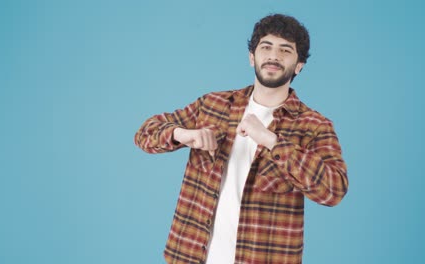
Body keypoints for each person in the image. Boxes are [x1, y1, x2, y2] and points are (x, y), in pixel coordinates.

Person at [134, 13, 348, 264]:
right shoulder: (213, 104)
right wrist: (183, 134)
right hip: (191, 255)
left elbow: (334, 190)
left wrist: (271, 141)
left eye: (285, 50)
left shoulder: (313, 125)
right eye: (265, 47)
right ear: (251, 57)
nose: (273, 56)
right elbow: (145, 133)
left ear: (299, 64)